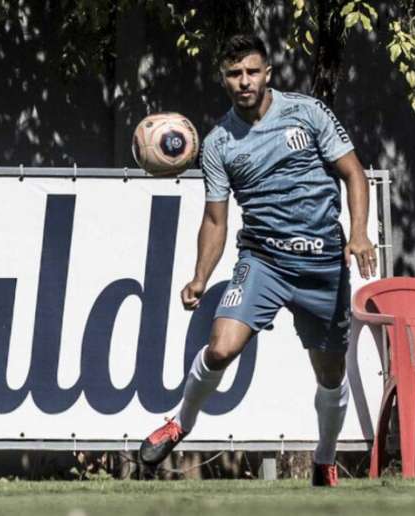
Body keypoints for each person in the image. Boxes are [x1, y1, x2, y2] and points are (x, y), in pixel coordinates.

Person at [139, 34, 377, 487]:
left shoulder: (308, 112)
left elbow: (354, 172)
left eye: (252, 71)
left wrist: (360, 231)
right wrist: (199, 277)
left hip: (323, 263)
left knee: (330, 375)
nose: (244, 81)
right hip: (263, 259)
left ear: (268, 73)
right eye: (234, 74)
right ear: (223, 80)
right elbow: (215, 219)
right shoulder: (217, 143)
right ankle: (180, 422)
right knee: (221, 347)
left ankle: (325, 460)